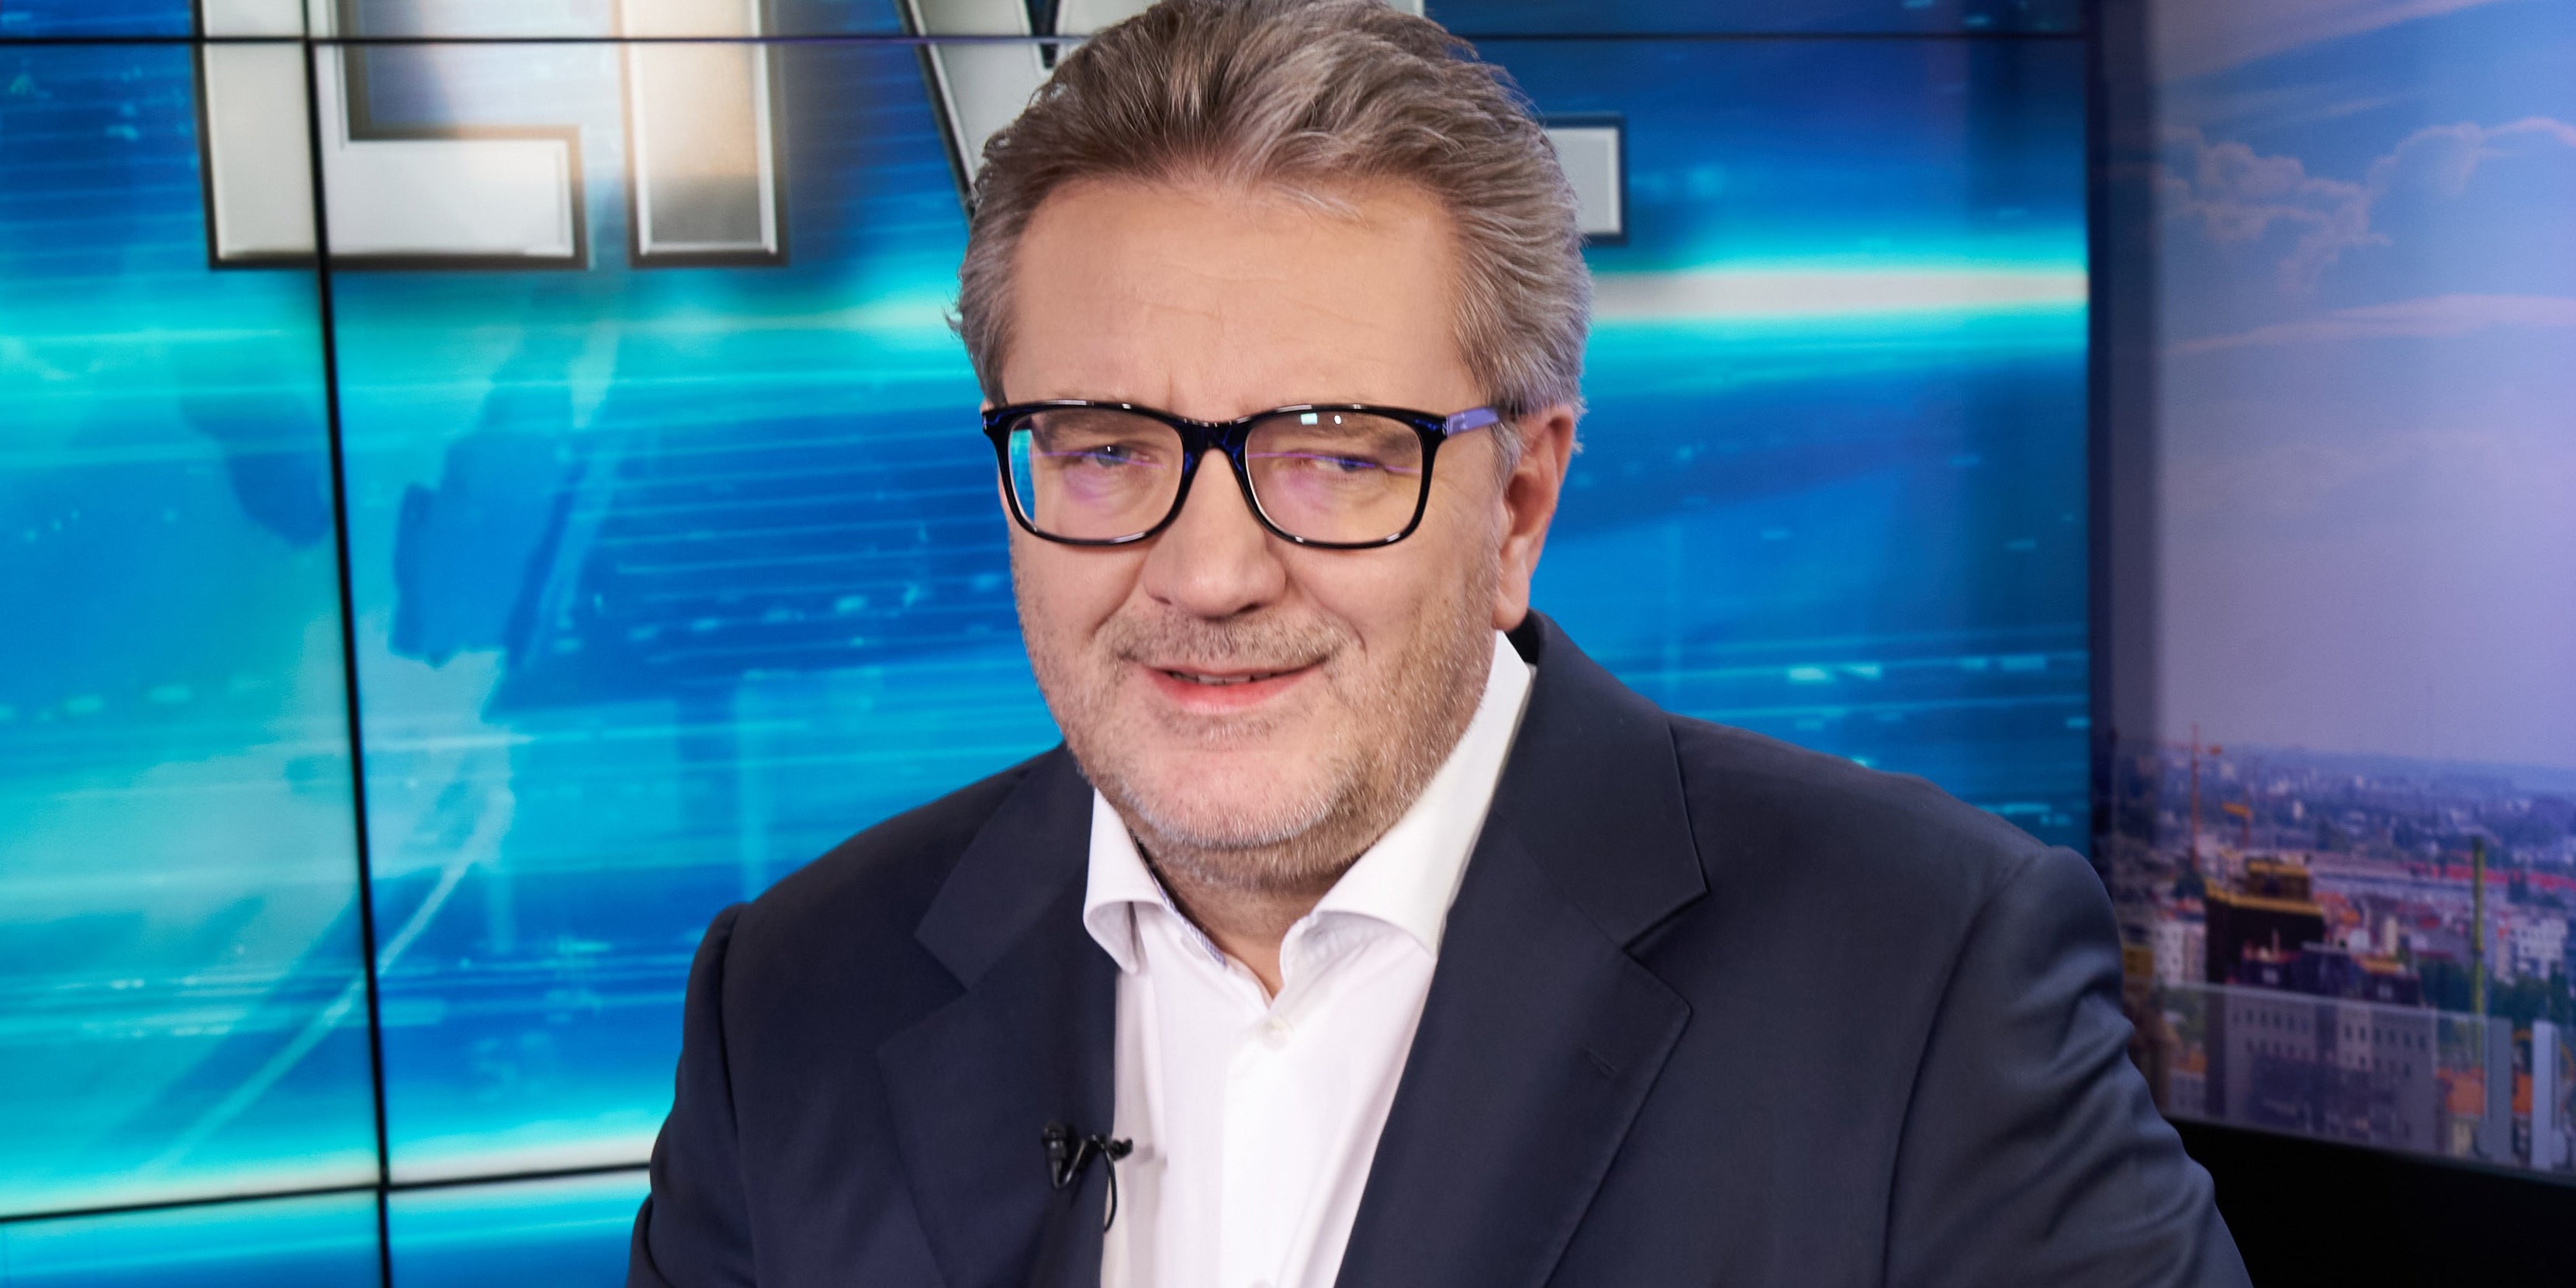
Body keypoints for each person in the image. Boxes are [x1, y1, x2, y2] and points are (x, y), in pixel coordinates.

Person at [627, 2, 2248, 1284]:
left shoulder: (1924, 976)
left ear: (1518, 501)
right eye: (1106, 447)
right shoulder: (794, 995)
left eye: (1333, 453)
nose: (1206, 572)